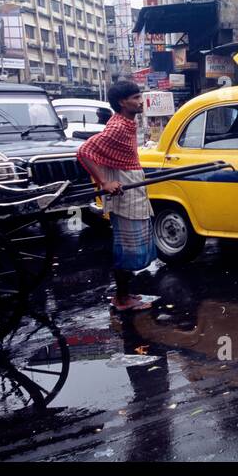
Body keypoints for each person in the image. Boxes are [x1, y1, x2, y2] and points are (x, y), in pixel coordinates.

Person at [77, 80, 156, 311]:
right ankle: (122, 299)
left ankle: (124, 295)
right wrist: (104, 181)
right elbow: (84, 151)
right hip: (124, 191)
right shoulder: (118, 127)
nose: (140, 101)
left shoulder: (127, 122)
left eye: (140, 96)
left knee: (130, 244)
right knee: (128, 247)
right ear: (122, 102)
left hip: (131, 185)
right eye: (135, 98)